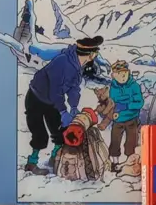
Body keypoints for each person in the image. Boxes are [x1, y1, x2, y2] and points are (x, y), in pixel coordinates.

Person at [23, 35, 103, 174]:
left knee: (59, 130)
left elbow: (74, 88)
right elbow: (55, 90)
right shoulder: (63, 62)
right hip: (37, 97)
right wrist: (62, 111)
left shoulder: (77, 65)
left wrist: (73, 106)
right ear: (91, 54)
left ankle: (54, 158)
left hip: (51, 100)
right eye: (95, 53)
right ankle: (32, 163)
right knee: (40, 134)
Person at [106, 59, 144, 172]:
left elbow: (140, 103)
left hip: (132, 119)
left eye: (125, 73)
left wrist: (127, 105)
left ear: (128, 73)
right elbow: (112, 103)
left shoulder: (134, 86)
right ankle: (115, 162)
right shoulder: (113, 88)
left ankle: (130, 162)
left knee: (131, 141)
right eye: (119, 74)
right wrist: (112, 113)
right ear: (113, 75)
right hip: (118, 119)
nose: (122, 76)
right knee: (115, 140)